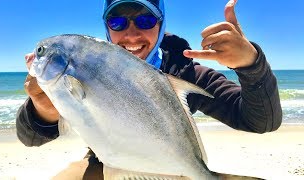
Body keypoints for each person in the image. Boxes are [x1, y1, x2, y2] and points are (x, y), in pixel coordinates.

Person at [16, 0, 282, 178]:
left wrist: (251, 65)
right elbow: (30, 139)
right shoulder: (86, 66)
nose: (131, 35)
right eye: (118, 23)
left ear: (161, 23)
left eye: (144, 21)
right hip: (102, 162)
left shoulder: (187, 72)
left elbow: (261, 121)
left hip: (170, 168)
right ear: (106, 28)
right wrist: (43, 110)